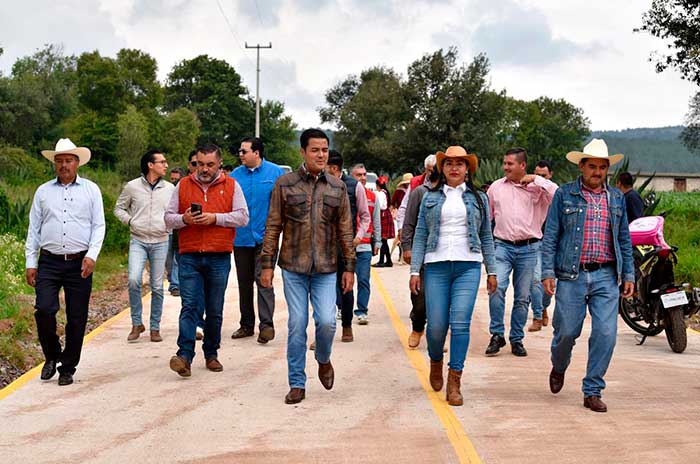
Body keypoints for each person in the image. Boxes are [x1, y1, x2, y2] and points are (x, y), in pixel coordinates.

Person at [260, 128, 355, 405]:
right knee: (297, 324)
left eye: (325, 150)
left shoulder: (337, 187)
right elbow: (273, 226)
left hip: (327, 268)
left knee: (326, 322)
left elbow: (345, 231)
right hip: (293, 266)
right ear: (302, 152)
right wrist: (267, 265)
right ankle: (297, 382)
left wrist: (349, 267)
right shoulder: (285, 184)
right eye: (315, 150)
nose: (321, 155)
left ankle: (323, 359)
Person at [542, 138, 634, 413]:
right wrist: (547, 271)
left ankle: (592, 390)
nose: (597, 172)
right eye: (592, 166)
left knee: (607, 333)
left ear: (608, 169)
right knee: (567, 332)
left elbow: (624, 238)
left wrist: (628, 273)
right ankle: (559, 366)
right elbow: (551, 236)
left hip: (606, 275)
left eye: (602, 167)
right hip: (572, 275)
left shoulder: (616, 198)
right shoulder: (564, 195)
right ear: (581, 167)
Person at [409, 146, 497, 406]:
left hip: (467, 265)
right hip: (436, 265)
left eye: (460, 163)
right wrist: (415, 269)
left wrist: (491, 270)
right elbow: (421, 234)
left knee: (460, 322)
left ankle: (455, 379)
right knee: (435, 326)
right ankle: (436, 361)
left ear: (468, 169)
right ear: (442, 168)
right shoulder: (430, 197)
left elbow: (486, 236)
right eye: (449, 164)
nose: (455, 168)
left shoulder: (480, 198)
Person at [25, 138, 106, 386]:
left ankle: (68, 367)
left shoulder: (91, 190)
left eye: (68, 160)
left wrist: (92, 255)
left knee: (77, 317)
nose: (64, 165)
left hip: (79, 261)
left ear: (77, 163)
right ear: (54, 164)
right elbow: (34, 229)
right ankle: (52, 355)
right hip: (49, 261)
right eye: (59, 161)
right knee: (45, 310)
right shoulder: (43, 191)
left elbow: (98, 226)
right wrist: (31, 261)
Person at [165, 143, 249, 377]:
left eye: (210, 164)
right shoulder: (183, 185)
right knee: (189, 306)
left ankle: (211, 352)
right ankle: (184, 355)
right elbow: (168, 219)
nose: (204, 169)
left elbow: (243, 217)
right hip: (189, 255)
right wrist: (185, 219)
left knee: (214, 309)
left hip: (219, 255)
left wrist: (214, 218)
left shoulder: (231, 185)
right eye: (200, 164)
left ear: (219, 163)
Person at [486, 148, 557, 357]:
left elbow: (558, 194)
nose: (505, 167)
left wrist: (537, 179)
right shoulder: (496, 188)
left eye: (510, 163)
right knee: (496, 288)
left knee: (522, 297)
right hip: (502, 246)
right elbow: (487, 219)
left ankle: (516, 338)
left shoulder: (539, 189)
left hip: (530, 249)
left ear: (522, 165)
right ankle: (497, 334)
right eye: (504, 163)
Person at [114, 149, 175, 343]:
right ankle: (136, 323)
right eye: (162, 162)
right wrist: (131, 222)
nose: (166, 165)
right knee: (133, 280)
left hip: (160, 241)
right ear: (150, 165)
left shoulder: (170, 188)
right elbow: (118, 208)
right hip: (138, 240)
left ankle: (155, 328)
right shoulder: (132, 187)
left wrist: (169, 226)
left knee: (157, 286)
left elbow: (175, 212)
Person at [230, 137, 284, 344]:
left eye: (244, 151)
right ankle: (246, 324)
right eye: (240, 151)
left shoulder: (276, 173)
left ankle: (266, 326)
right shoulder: (234, 177)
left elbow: (283, 203)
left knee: (264, 280)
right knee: (244, 283)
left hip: (266, 238)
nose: (240, 155)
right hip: (241, 237)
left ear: (257, 153)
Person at [325, 151, 370, 342]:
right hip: (323, 245)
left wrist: (358, 237)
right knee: (323, 287)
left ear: (334, 169)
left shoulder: (354, 187)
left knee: (346, 286)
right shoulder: (319, 183)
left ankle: (347, 326)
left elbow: (365, 215)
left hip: (345, 245)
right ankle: (323, 332)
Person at [401, 164, 440, 349]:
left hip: (444, 255)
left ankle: (436, 334)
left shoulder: (455, 194)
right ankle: (417, 326)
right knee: (420, 295)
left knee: (440, 299)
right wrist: (406, 247)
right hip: (422, 251)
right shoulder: (419, 192)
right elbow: (409, 222)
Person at [350, 163, 381, 325]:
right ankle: (342, 307)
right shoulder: (345, 193)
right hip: (346, 246)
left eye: (364, 174)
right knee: (342, 280)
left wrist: (378, 241)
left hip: (365, 245)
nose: (362, 178)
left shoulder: (372, 197)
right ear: (351, 177)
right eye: (358, 175)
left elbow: (376, 220)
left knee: (363, 279)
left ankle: (362, 311)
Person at [528, 160, 557, 332]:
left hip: (553, 245)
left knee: (550, 286)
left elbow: (554, 190)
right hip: (535, 243)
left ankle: (544, 307)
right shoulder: (528, 191)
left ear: (550, 176)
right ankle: (537, 315)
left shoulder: (555, 193)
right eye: (536, 175)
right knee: (536, 280)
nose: (539, 179)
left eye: (543, 176)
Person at [165, 167, 187, 297]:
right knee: (168, 258)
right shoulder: (166, 190)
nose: (173, 182)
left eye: (176, 180)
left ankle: (175, 284)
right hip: (167, 229)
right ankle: (172, 279)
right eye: (171, 179)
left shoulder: (183, 190)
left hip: (179, 228)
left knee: (176, 258)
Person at [373, 176, 395, 267]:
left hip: (382, 215)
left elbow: (381, 206)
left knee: (382, 239)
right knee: (384, 240)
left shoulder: (381, 194)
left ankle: (382, 261)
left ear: (378, 185)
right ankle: (388, 260)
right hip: (386, 215)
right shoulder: (385, 192)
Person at [391, 173, 412, 263]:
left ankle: (405, 256)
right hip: (401, 215)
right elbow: (393, 203)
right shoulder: (399, 191)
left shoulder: (415, 189)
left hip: (411, 215)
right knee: (400, 237)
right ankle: (397, 255)